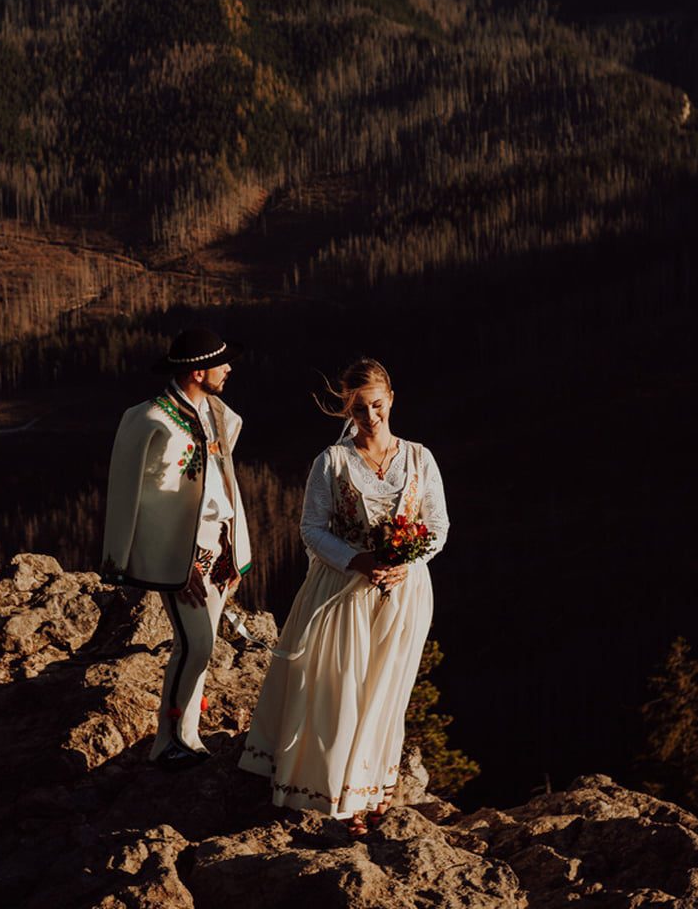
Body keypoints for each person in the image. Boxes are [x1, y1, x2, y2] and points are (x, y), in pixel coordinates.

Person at [239, 357, 450, 836]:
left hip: (404, 594)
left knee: (386, 692)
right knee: (341, 689)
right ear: (346, 411)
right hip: (342, 591)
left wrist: (407, 562)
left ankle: (374, 789)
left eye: (376, 405)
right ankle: (342, 795)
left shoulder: (419, 458)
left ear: (391, 400)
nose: (370, 417)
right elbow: (311, 529)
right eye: (359, 409)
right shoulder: (331, 462)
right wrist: (357, 560)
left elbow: (437, 527)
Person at [104, 327, 254, 769]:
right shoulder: (151, 420)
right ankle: (166, 739)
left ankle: (187, 734)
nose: (229, 369)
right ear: (198, 371)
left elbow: (221, 484)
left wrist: (230, 546)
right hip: (183, 554)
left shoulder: (219, 414)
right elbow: (143, 501)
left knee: (197, 647)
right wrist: (176, 561)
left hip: (217, 546)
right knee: (197, 645)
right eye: (221, 363)